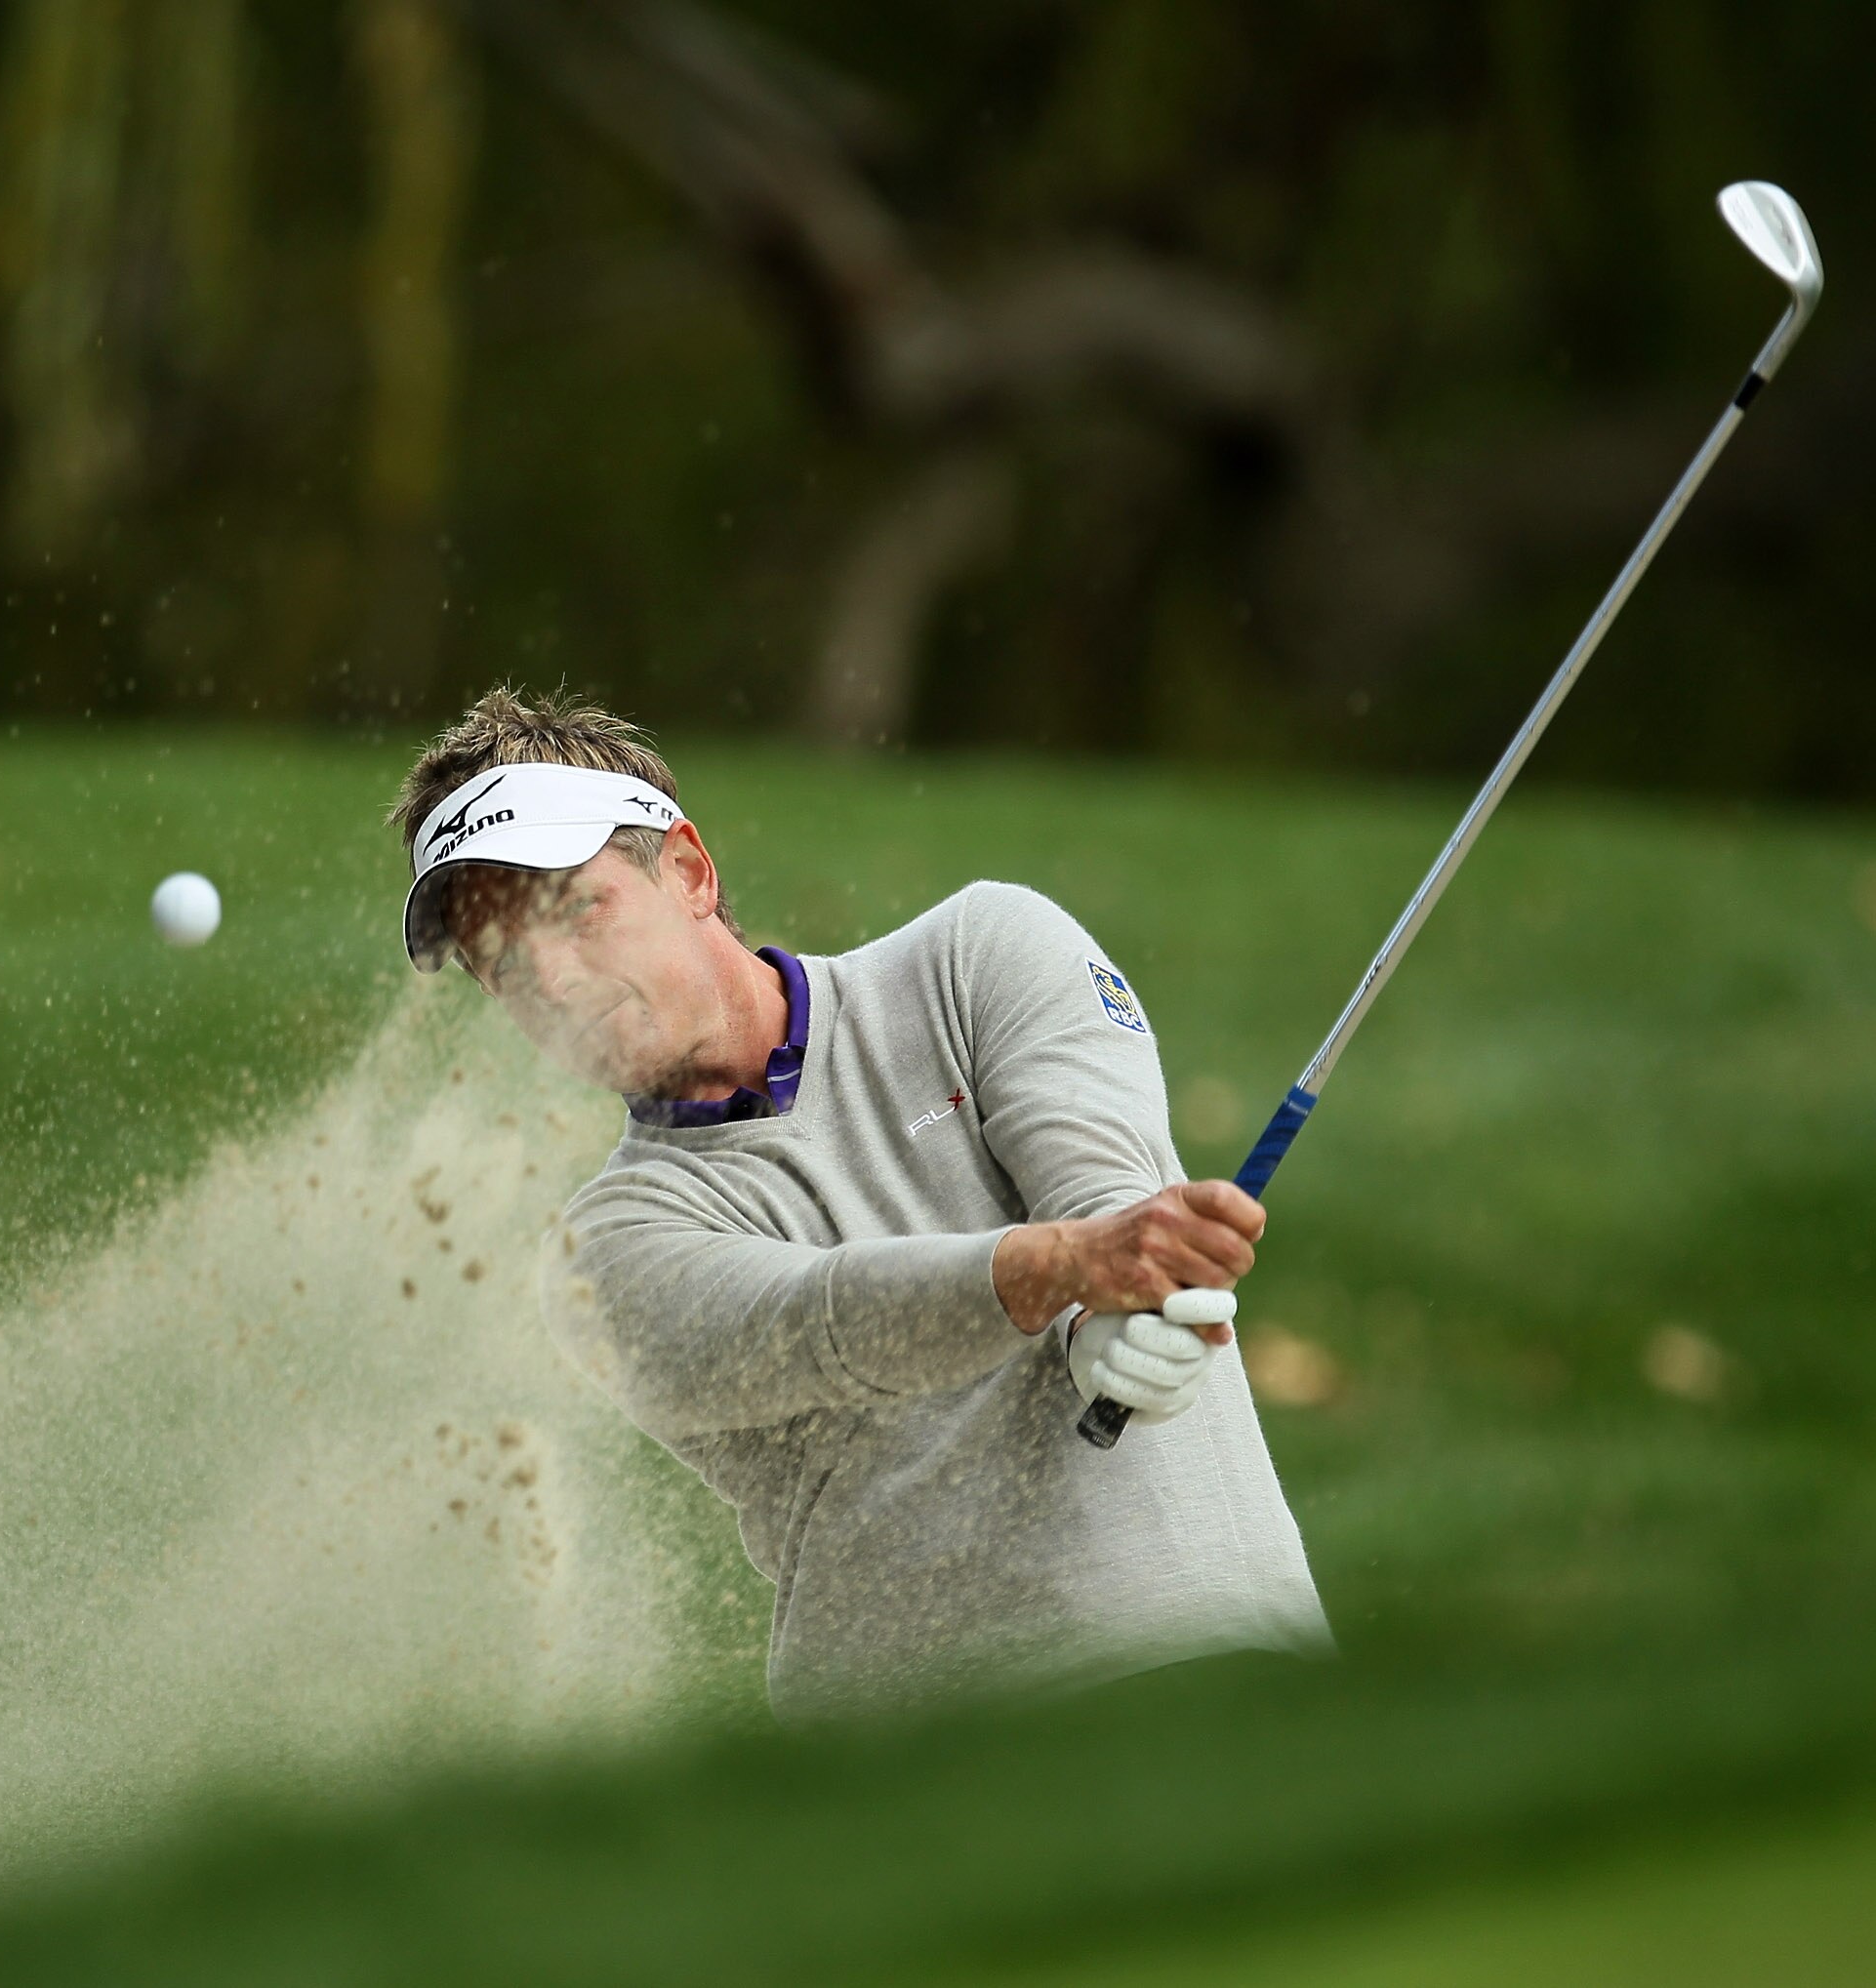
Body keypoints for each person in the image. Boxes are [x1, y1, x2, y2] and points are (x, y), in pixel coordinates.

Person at [392, 687, 1329, 1719]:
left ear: (690, 872)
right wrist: (1062, 1276)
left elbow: (1109, 1193)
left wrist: (1115, 1301)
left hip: (1215, 1668)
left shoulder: (978, 958)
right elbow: (820, 1321)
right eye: (506, 965)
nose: (557, 984)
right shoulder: (604, 1250)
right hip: (908, 1773)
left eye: (578, 909)